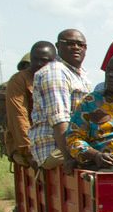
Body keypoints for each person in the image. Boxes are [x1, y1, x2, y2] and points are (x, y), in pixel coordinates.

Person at [30, 29, 93, 168]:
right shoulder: (55, 72)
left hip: (74, 142)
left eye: (80, 44)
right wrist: (69, 157)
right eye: (70, 43)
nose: (76, 47)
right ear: (58, 46)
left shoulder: (79, 74)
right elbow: (60, 121)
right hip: (55, 148)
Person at [4, 42, 56, 167]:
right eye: (35, 60)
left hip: (52, 139)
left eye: (44, 61)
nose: (38, 64)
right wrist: (30, 152)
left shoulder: (56, 79)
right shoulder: (19, 80)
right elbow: (19, 117)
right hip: (28, 144)